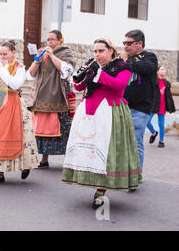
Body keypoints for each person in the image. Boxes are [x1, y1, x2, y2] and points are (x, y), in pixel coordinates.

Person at [62, 38, 142, 210]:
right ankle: (91, 181)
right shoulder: (93, 65)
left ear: (111, 51)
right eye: (95, 51)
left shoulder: (122, 67)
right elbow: (78, 88)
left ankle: (100, 192)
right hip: (88, 112)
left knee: (107, 151)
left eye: (101, 51)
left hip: (110, 112)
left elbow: (119, 85)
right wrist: (82, 76)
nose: (97, 55)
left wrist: (98, 72)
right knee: (88, 150)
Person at [0, 40, 39, 184]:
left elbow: (15, 84)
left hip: (13, 100)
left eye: (5, 54)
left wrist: (3, 70)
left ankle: (24, 165)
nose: (2, 57)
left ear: (13, 53)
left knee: (19, 134)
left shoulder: (19, 68)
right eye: (0, 54)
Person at [27, 30, 75, 168]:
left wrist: (52, 56)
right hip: (39, 98)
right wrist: (37, 59)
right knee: (40, 131)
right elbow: (30, 75)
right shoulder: (43, 54)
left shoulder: (65, 52)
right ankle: (43, 159)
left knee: (62, 130)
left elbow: (67, 70)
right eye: (48, 39)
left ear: (60, 40)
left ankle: (69, 160)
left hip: (57, 97)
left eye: (52, 39)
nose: (49, 42)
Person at [118, 29, 158, 170]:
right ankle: (124, 173)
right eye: (124, 43)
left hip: (140, 108)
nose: (125, 46)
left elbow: (145, 68)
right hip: (122, 106)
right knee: (121, 142)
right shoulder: (125, 59)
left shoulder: (149, 57)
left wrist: (125, 60)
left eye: (129, 43)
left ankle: (135, 175)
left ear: (139, 43)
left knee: (135, 142)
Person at [147, 66, 176, 148]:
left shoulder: (167, 83)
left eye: (165, 69)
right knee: (147, 121)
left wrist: (171, 107)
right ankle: (154, 133)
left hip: (162, 106)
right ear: (157, 72)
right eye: (162, 69)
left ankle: (161, 141)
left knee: (161, 124)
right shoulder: (153, 82)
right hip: (153, 105)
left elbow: (169, 97)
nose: (164, 70)